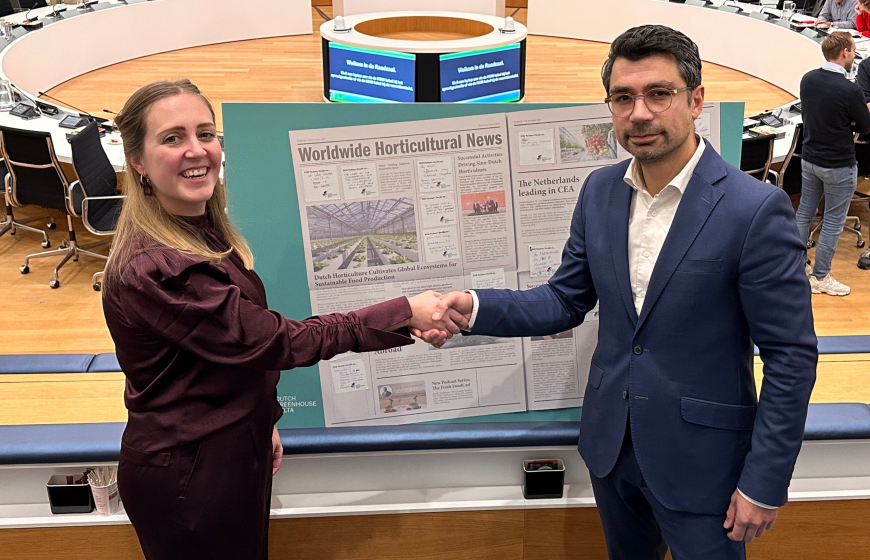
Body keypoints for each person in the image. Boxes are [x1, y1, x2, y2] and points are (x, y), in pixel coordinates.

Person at [417, 25, 817, 559]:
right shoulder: (600, 190)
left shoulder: (754, 209)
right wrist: (473, 307)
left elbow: (790, 356)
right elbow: (564, 299)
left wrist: (764, 481)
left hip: (705, 463)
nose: (639, 113)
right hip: (611, 449)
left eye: (659, 93)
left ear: (696, 100)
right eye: (623, 98)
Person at [102, 79, 465, 560]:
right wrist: (404, 311)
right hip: (189, 479)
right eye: (173, 138)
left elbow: (222, 355)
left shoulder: (197, 230)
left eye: (206, 133)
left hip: (226, 452)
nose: (197, 150)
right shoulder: (160, 267)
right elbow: (273, 341)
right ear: (138, 161)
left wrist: (261, 417)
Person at [797, 32, 870, 295]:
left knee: (804, 213)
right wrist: (850, 120)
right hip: (838, 165)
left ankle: (797, 267)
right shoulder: (850, 90)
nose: (854, 55)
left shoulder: (808, 79)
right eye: (853, 50)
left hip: (809, 160)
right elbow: (865, 127)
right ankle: (820, 276)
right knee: (832, 223)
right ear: (844, 52)